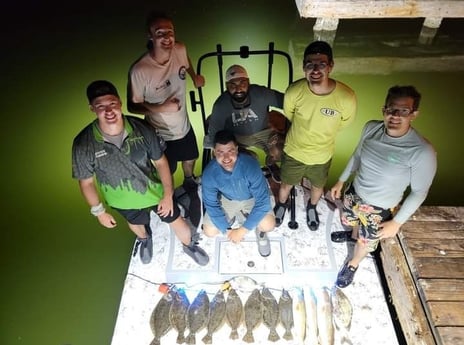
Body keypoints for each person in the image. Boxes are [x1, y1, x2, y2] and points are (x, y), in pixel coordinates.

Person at [72, 80, 209, 266]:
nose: (109, 111)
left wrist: (168, 195)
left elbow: (160, 162)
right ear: (92, 109)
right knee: (136, 223)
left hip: (154, 192)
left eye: (112, 103)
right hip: (121, 199)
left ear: (119, 103)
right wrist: (99, 212)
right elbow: (86, 182)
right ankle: (145, 239)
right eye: (100, 106)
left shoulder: (142, 129)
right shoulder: (83, 143)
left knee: (178, 221)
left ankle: (189, 245)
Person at [330, 85, 437, 288]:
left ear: (414, 114)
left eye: (403, 111)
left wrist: (396, 222)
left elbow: (419, 192)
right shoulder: (371, 127)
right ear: (384, 110)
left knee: (365, 243)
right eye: (391, 109)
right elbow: (357, 155)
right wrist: (341, 180)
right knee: (350, 220)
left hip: (379, 208)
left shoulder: (422, 151)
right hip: (355, 192)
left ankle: (352, 264)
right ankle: (352, 235)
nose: (395, 115)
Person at [127, 10, 204, 227]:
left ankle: (189, 183)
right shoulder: (140, 70)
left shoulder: (179, 48)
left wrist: (193, 75)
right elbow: (133, 105)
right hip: (159, 133)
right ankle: (165, 200)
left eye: (169, 32)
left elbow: (185, 61)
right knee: (166, 171)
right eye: (160, 33)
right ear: (150, 36)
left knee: (190, 158)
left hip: (183, 124)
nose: (166, 38)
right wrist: (161, 107)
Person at [273, 40, 357, 230]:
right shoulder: (294, 91)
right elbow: (290, 113)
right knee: (286, 183)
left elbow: (344, 122)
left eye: (321, 64)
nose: (315, 69)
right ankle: (281, 204)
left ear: (331, 66)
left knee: (318, 186)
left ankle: (311, 206)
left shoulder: (347, 96)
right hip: (294, 151)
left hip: (322, 155)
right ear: (304, 67)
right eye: (310, 64)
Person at [201, 130, 276, 257]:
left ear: (236, 150)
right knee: (209, 231)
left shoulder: (251, 165)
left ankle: (260, 232)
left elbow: (262, 202)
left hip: (251, 197)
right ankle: (232, 219)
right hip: (228, 199)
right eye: (220, 152)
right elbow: (210, 203)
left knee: (268, 225)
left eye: (230, 151)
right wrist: (227, 231)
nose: (226, 158)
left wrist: (242, 231)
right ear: (214, 152)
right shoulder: (209, 173)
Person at [204, 64, 285, 175]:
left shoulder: (261, 93)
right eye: (233, 85)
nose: (238, 89)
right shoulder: (221, 105)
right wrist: (222, 153)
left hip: (264, 131)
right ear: (227, 86)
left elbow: (288, 102)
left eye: (242, 83)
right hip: (236, 137)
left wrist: (289, 127)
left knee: (282, 149)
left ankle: (271, 163)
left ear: (248, 83)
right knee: (248, 161)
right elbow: (214, 136)